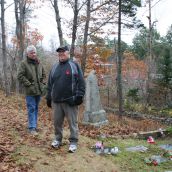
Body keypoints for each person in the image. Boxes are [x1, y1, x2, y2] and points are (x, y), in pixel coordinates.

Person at [46, 45, 85, 153]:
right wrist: (49, 97)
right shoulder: (54, 67)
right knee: (57, 123)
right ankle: (58, 139)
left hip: (70, 101)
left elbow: (81, 82)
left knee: (73, 123)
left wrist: (79, 96)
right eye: (59, 53)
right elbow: (50, 84)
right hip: (56, 101)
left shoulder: (74, 65)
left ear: (68, 53)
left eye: (63, 52)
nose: (61, 54)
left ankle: (73, 142)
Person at [17, 45, 46, 135]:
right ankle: (32, 128)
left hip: (38, 91)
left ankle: (34, 126)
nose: (34, 54)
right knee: (31, 108)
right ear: (27, 54)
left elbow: (44, 74)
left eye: (34, 52)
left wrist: (43, 83)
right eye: (31, 53)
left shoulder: (39, 62)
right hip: (30, 91)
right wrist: (28, 84)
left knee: (36, 108)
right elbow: (20, 76)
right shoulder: (24, 63)